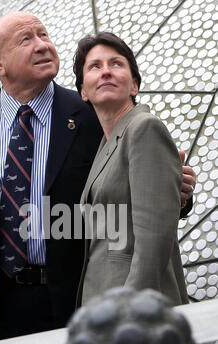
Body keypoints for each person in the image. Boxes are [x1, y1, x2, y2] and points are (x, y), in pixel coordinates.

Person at [0, 13, 194, 344]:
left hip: (74, 299)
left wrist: (178, 194)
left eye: (44, 35)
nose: (42, 45)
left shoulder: (92, 111)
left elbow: (134, 189)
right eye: (26, 40)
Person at [74, 32, 189, 306]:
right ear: (83, 92)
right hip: (102, 302)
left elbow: (154, 239)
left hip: (134, 309)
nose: (105, 72)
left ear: (134, 85)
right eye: (95, 66)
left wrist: (130, 306)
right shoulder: (105, 144)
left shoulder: (144, 128)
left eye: (116, 64)